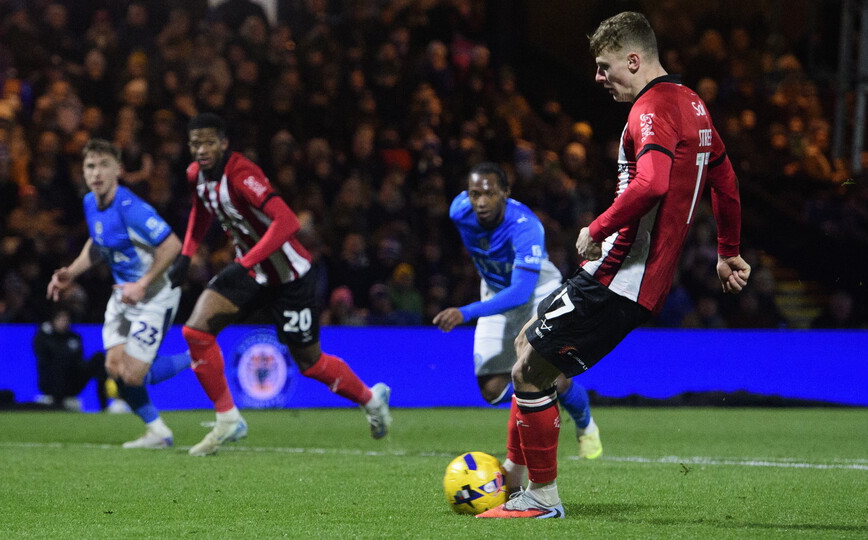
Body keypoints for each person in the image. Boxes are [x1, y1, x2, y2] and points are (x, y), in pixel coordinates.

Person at [477, 12, 751, 519]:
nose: (599, 78)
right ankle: (516, 482)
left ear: (633, 58)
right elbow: (726, 181)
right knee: (529, 351)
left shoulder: (649, 109)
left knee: (530, 370)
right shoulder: (692, 103)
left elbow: (652, 183)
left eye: (605, 67)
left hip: (619, 274)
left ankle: (540, 498)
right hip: (634, 279)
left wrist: (595, 228)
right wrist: (727, 250)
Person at [168, 113, 391, 457]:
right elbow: (202, 209)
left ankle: (371, 399)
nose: (201, 149)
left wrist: (245, 261)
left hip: (290, 277)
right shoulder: (196, 175)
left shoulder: (242, 175)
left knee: (310, 363)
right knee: (196, 332)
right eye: (195, 143)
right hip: (253, 272)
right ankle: (228, 419)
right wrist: (186, 254)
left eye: (209, 141)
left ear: (224, 143)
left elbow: (286, 221)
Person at [432, 162, 603, 478]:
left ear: (506, 194)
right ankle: (549, 387)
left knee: (534, 370)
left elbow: (522, 292)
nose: (480, 202)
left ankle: (583, 423)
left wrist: (464, 312)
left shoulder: (525, 226)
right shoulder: (459, 211)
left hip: (537, 292)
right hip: (496, 291)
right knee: (492, 388)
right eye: (474, 194)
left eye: (489, 193)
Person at [47, 139, 192, 448]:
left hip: (154, 295)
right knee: (114, 368)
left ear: (118, 170)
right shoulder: (90, 203)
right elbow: (98, 243)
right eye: (90, 166)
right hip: (123, 295)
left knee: (135, 375)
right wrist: (70, 272)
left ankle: (196, 358)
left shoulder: (132, 208)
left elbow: (172, 246)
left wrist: (143, 283)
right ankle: (158, 431)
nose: (96, 173)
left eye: (103, 165)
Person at [33, 307, 107, 411]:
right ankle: (57, 401)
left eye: (66, 319)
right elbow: (42, 356)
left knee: (99, 357)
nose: (64, 322)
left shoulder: (74, 337)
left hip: (72, 380)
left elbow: (79, 361)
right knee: (60, 362)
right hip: (51, 383)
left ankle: (104, 406)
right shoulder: (44, 338)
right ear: (53, 321)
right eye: (61, 319)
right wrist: (44, 330)